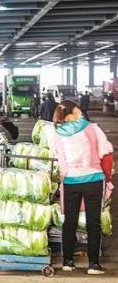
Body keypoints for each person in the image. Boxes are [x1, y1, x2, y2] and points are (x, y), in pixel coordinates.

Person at [50, 100, 113, 275]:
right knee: (94, 222)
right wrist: (107, 176)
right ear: (70, 114)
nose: (81, 113)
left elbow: (56, 155)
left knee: (69, 222)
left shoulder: (57, 133)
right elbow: (106, 152)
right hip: (93, 180)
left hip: (70, 181)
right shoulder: (92, 128)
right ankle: (93, 264)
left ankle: (68, 262)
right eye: (77, 110)